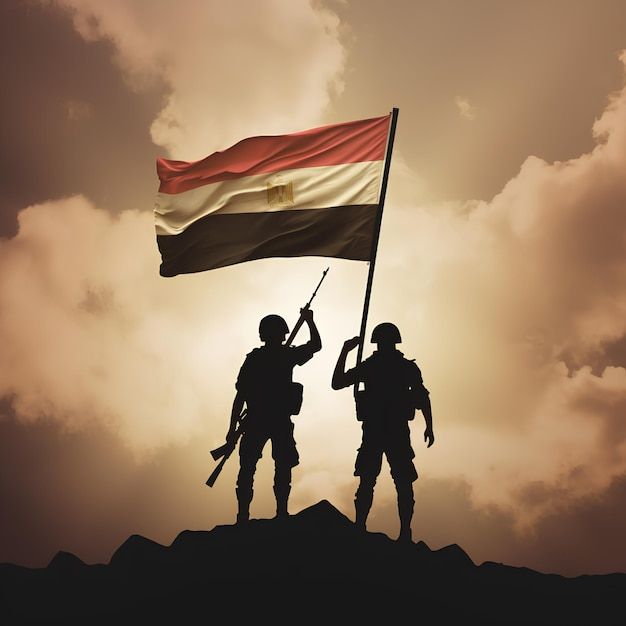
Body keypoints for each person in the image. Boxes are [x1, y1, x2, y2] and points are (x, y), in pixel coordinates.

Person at [332, 322, 434, 543]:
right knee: (378, 481)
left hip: (385, 432)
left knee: (397, 483)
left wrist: (430, 425)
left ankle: (399, 531)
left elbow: (422, 396)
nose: (383, 346)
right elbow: (337, 383)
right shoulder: (389, 367)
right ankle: (369, 527)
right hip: (381, 432)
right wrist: (345, 351)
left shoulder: (389, 367)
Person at [226, 309, 321, 523]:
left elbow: (315, 346)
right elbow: (241, 395)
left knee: (267, 468)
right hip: (264, 420)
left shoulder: (271, 357)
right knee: (257, 469)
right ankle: (269, 514)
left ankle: (260, 515)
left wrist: (231, 429)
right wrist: (309, 321)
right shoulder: (275, 357)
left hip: (269, 420)